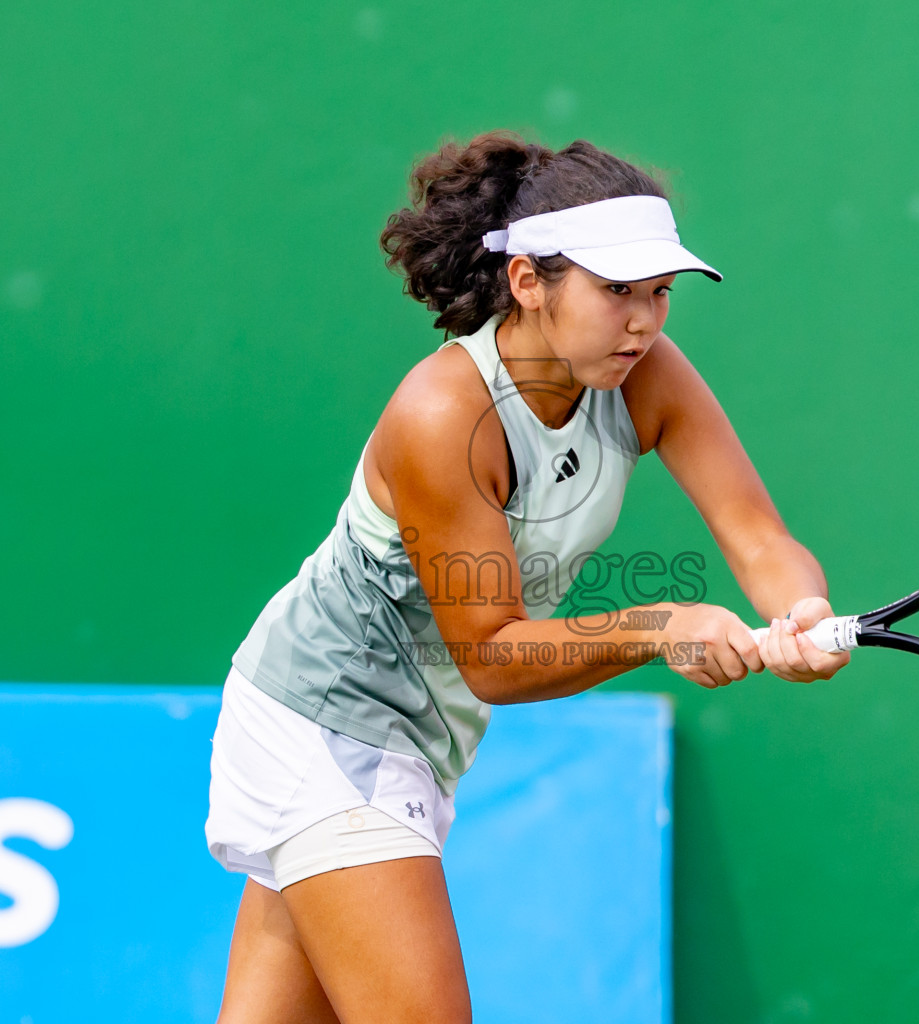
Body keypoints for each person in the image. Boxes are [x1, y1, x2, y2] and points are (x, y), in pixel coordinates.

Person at [206, 130, 850, 1024]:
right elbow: (495, 659)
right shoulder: (443, 415)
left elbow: (757, 536)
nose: (645, 320)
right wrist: (662, 626)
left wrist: (801, 612)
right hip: (326, 721)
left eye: (660, 293)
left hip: (417, 739)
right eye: (617, 290)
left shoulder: (647, 376)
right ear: (528, 283)